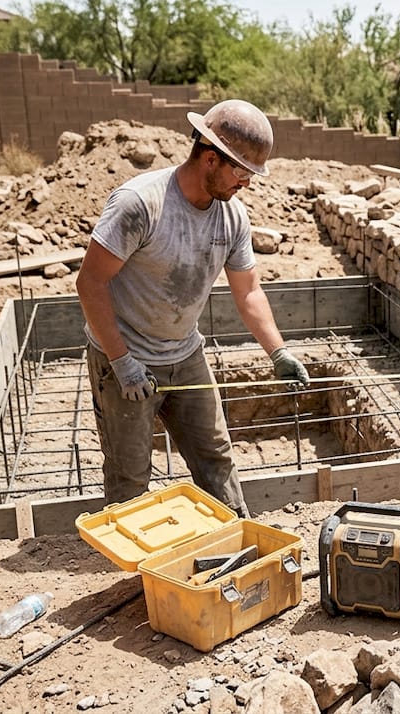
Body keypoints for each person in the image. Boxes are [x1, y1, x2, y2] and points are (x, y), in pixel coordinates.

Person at [77, 99, 310, 516]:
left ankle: (236, 544)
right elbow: (90, 283)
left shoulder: (233, 217)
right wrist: (121, 362)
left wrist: (278, 352)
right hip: (125, 360)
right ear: (209, 159)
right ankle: (135, 575)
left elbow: (249, 292)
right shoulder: (140, 204)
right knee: (130, 478)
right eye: (241, 172)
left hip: (185, 355)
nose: (247, 184)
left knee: (216, 459)